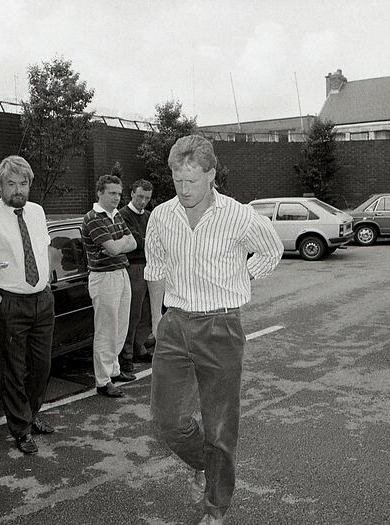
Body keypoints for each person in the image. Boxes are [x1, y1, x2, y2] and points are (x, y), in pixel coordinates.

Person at [144, 135, 283, 524]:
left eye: (192, 180)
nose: (184, 189)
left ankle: (216, 507)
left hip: (220, 326)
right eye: (177, 180)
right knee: (167, 421)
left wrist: (243, 276)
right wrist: (158, 319)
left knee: (221, 426)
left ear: (211, 174)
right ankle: (204, 465)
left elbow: (271, 250)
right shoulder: (161, 216)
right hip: (174, 324)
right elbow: (155, 269)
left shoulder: (238, 215)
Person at [0, 156, 55, 455]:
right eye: (11, 183)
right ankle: (20, 429)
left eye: (23, 183)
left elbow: (42, 250)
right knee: (15, 369)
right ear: (0, 185)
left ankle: (32, 414)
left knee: (41, 367)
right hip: (10, 302)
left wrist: (47, 284)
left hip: (42, 300)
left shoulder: (37, 212)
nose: (18, 189)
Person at [81, 174, 137, 398]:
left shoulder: (116, 216)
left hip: (121, 273)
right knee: (106, 329)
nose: (116, 198)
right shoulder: (93, 218)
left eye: (119, 194)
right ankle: (103, 381)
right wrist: (119, 245)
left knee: (120, 325)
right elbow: (115, 249)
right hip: (103, 277)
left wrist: (117, 245)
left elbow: (132, 242)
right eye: (112, 193)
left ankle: (114, 370)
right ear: (100, 193)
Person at [118, 179, 154, 373]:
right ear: (132, 194)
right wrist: (148, 241)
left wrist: (147, 241)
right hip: (134, 268)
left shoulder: (149, 215)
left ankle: (139, 346)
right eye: (140, 196)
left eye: (147, 198)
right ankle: (126, 354)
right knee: (133, 313)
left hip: (150, 266)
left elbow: (154, 239)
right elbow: (136, 242)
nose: (143, 201)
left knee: (148, 310)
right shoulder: (123, 215)